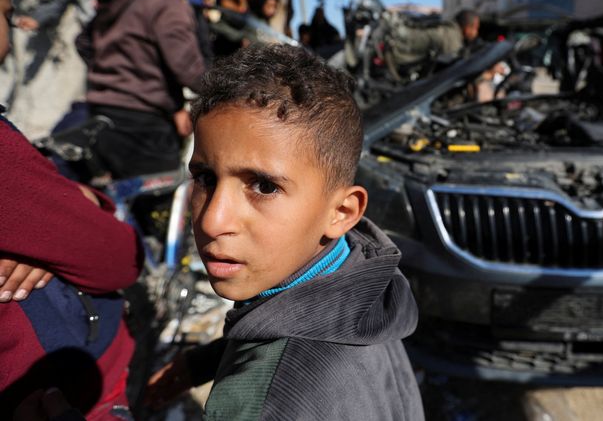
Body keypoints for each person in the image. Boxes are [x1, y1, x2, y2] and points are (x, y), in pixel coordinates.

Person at [146, 44, 424, 420]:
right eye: (205, 178)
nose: (213, 221)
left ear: (341, 212)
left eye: (263, 186)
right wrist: (203, 363)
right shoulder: (362, 279)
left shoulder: (263, 407)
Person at [0, 0, 142, 420]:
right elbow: (119, 259)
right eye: (5, 14)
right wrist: (87, 208)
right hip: (77, 385)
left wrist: (74, 200)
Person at [85, 0, 206, 179]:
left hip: (100, 113)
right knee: (159, 210)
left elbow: (83, 42)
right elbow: (190, 71)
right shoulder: (169, 4)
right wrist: (234, 88)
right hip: (143, 126)